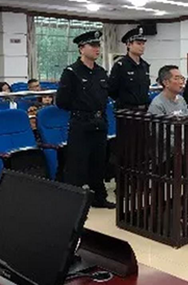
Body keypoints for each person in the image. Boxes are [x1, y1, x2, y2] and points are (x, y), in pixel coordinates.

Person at [56, 30, 114, 209]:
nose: (97, 49)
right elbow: (62, 101)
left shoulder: (101, 72)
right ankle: (72, 202)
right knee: (77, 165)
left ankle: (99, 198)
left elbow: (106, 96)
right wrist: (81, 109)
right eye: (93, 45)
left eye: (98, 45)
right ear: (81, 48)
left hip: (99, 123)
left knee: (98, 163)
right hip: (81, 124)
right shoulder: (71, 72)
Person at [108, 26, 151, 110]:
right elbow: (112, 90)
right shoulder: (121, 65)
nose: (142, 46)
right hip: (126, 110)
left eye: (143, 44)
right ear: (128, 45)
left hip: (144, 109)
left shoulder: (144, 66)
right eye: (138, 43)